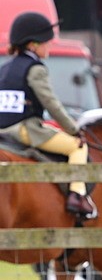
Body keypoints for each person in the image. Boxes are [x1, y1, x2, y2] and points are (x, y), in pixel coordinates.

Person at [0, 12, 96, 216]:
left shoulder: (4, 69)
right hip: (25, 130)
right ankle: (77, 196)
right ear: (33, 45)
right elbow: (51, 104)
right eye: (46, 42)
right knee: (77, 147)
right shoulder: (35, 69)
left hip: (3, 130)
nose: (49, 46)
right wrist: (73, 129)